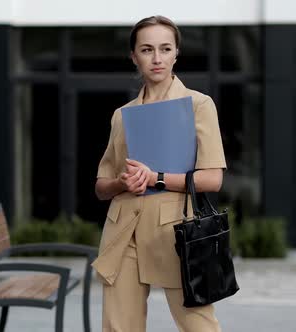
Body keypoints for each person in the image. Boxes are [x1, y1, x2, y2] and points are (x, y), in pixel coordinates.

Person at [90, 15, 226, 332]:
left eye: (165, 49)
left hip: (177, 231)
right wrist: (121, 183)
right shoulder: (121, 116)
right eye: (147, 49)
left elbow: (212, 179)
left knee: (199, 326)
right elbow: (100, 187)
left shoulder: (198, 105)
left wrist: (156, 178)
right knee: (119, 327)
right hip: (123, 230)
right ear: (134, 56)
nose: (157, 58)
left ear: (176, 53)